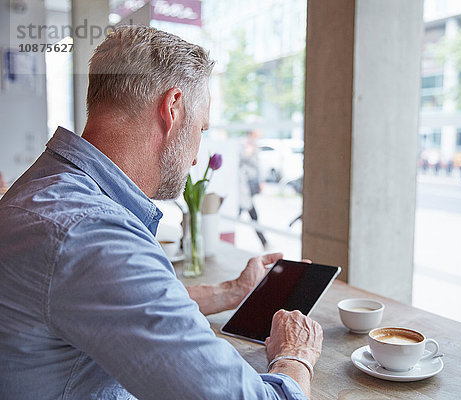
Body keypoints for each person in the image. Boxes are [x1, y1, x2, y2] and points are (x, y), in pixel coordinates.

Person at [0, 26, 322, 400]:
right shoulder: (90, 232)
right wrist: (295, 357)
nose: (197, 156)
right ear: (172, 108)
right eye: (200, 129)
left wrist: (233, 290)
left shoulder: (47, 189)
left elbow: (116, 301)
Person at [238, 129, 269, 248]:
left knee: (251, 214)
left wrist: (261, 181)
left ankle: (264, 241)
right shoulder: (242, 144)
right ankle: (264, 241)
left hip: (247, 188)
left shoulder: (254, 146)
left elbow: (258, 166)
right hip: (241, 188)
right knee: (252, 214)